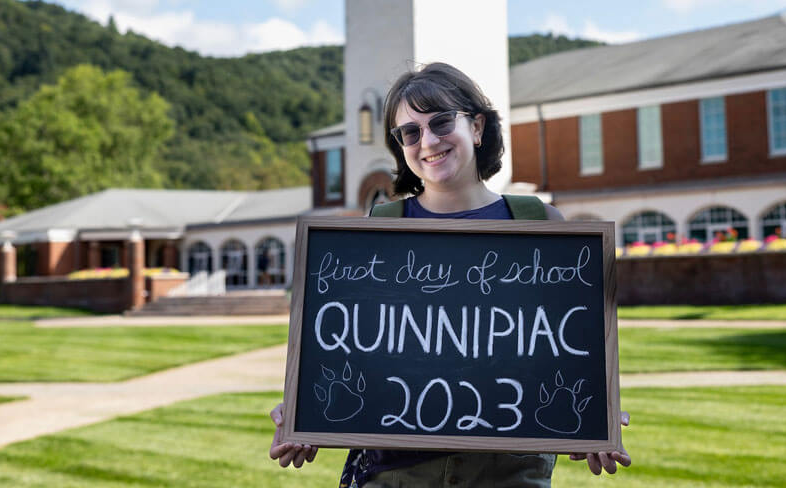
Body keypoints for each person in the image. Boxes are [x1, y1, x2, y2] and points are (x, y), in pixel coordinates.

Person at [269, 63, 632, 485]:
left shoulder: (538, 222)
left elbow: (568, 349)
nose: (428, 141)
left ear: (477, 127)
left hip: (509, 473)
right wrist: (304, 411)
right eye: (410, 132)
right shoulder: (379, 228)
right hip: (397, 475)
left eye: (442, 122)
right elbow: (352, 351)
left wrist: (595, 416)